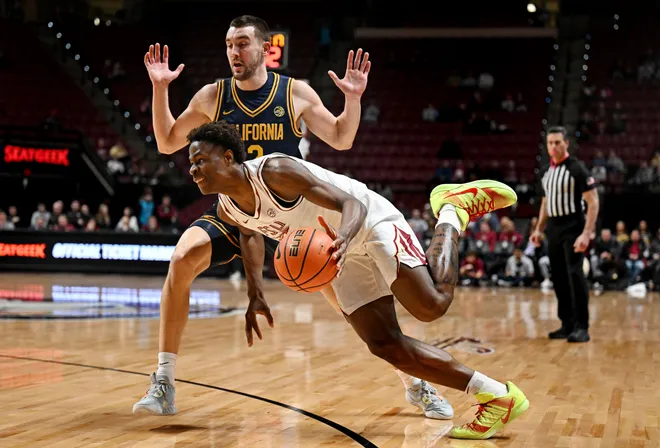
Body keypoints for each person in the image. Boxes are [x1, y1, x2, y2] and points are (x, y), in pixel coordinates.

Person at [134, 15, 451, 420]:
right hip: (238, 211)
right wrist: (161, 89)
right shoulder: (214, 95)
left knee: (352, 308)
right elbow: (166, 141)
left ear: (265, 48)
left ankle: (415, 383)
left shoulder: (293, 93)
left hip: (294, 220)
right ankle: (163, 381)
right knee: (180, 260)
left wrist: (352, 99)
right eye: (230, 44)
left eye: (243, 43)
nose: (234, 51)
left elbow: (341, 137)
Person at [176, 121, 529, 440]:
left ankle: (451, 209)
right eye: (190, 165)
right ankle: (497, 396)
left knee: (431, 305)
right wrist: (255, 292)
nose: (193, 171)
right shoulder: (226, 206)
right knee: (384, 344)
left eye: (199, 162)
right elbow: (249, 235)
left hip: (367, 223)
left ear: (226, 157)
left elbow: (351, 204)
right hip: (335, 252)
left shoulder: (275, 171)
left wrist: (343, 237)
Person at [530, 126, 600, 343]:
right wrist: (539, 229)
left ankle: (582, 327)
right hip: (554, 227)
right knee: (558, 276)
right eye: (550, 143)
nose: (554, 146)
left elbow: (593, 202)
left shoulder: (576, 168)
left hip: (573, 226)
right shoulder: (546, 172)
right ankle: (566, 323)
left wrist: (586, 233)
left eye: (558, 142)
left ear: (566, 143)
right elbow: (545, 203)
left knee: (575, 275)